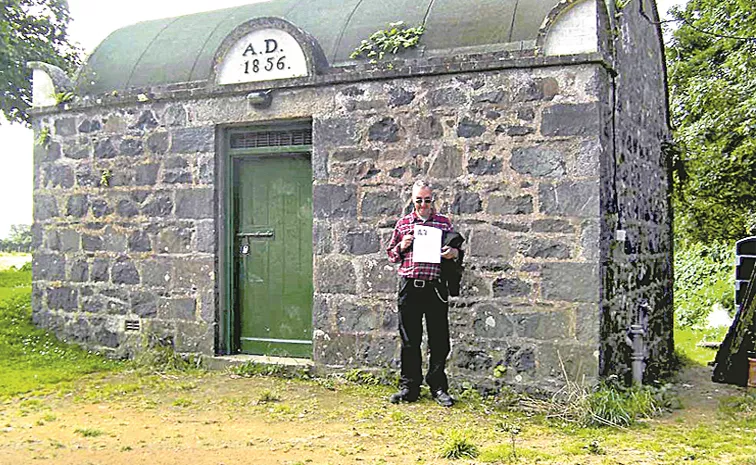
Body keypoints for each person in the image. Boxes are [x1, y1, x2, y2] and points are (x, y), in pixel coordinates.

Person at [386, 180, 459, 407]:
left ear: (433, 199)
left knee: (439, 340)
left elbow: (456, 251)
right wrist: (402, 246)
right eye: (419, 200)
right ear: (412, 200)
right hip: (410, 286)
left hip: (435, 287)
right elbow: (391, 254)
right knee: (410, 340)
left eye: (427, 200)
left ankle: (438, 387)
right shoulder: (404, 223)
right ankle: (409, 387)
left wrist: (453, 253)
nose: (423, 204)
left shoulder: (443, 223)